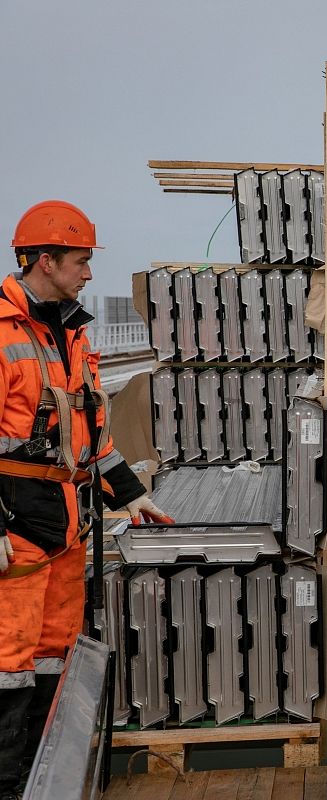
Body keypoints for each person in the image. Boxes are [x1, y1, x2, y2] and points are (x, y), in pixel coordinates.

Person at [0, 200, 170, 798]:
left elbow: (89, 438)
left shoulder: (67, 333)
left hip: (64, 526)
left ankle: (45, 778)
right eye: (81, 261)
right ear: (44, 261)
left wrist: (132, 497)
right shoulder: (2, 334)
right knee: (7, 665)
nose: (89, 274)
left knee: (50, 658)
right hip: (15, 525)